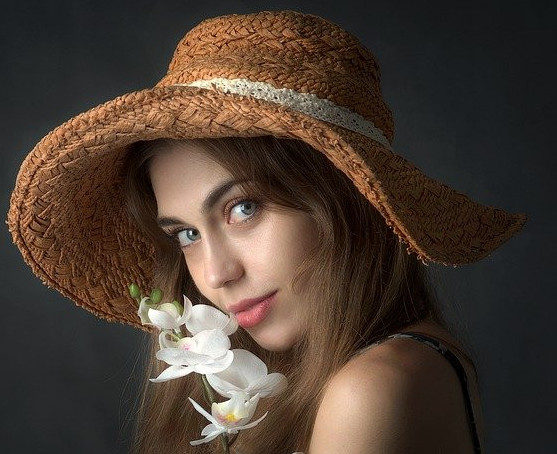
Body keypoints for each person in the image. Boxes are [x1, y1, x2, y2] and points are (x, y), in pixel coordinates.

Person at [8, 10, 525, 454]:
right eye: (185, 234)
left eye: (243, 208)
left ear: (346, 196)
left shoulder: (372, 387)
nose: (216, 275)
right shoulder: (371, 368)